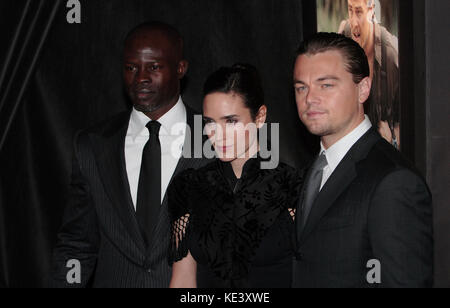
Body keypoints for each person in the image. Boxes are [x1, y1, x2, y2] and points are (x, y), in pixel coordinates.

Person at [50, 22, 212, 288]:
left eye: (154, 67)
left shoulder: (217, 140)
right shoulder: (93, 146)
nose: (141, 78)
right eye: (131, 68)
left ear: (181, 69)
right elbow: (77, 244)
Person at [292, 32, 433, 288]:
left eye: (326, 85)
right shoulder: (313, 169)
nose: (310, 98)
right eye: (302, 87)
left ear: (363, 89)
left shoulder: (393, 181)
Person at [168, 64, 303, 288]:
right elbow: (182, 279)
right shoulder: (189, 187)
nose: (217, 135)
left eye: (231, 121)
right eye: (210, 122)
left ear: (260, 117)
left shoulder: (293, 187)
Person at [338, 0, 400, 148]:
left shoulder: (391, 55)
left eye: (359, 12)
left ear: (371, 10)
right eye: (350, 10)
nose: (353, 22)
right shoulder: (340, 41)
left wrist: (393, 140)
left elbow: (414, 120)